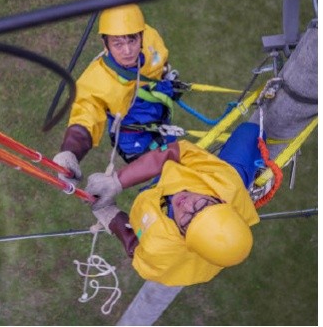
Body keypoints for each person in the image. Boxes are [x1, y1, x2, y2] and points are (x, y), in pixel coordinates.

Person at [85, 121, 262, 287]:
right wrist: (118, 181)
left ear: (184, 239)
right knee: (250, 131)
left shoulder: (162, 250)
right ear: (221, 200)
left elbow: (136, 250)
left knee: (153, 159)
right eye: (200, 206)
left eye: (187, 220)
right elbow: (176, 151)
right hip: (221, 182)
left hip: (160, 195)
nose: (184, 205)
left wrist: (112, 217)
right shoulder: (224, 182)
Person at [53, 4, 179, 185]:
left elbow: (161, 59)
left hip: (159, 109)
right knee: (164, 172)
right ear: (105, 44)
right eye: (118, 44)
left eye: (132, 41)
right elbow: (86, 114)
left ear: (141, 36)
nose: (127, 51)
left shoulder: (151, 37)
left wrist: (166, 73)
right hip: (135, 134)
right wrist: (71, 152)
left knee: (175, 152)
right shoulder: (98, 80)